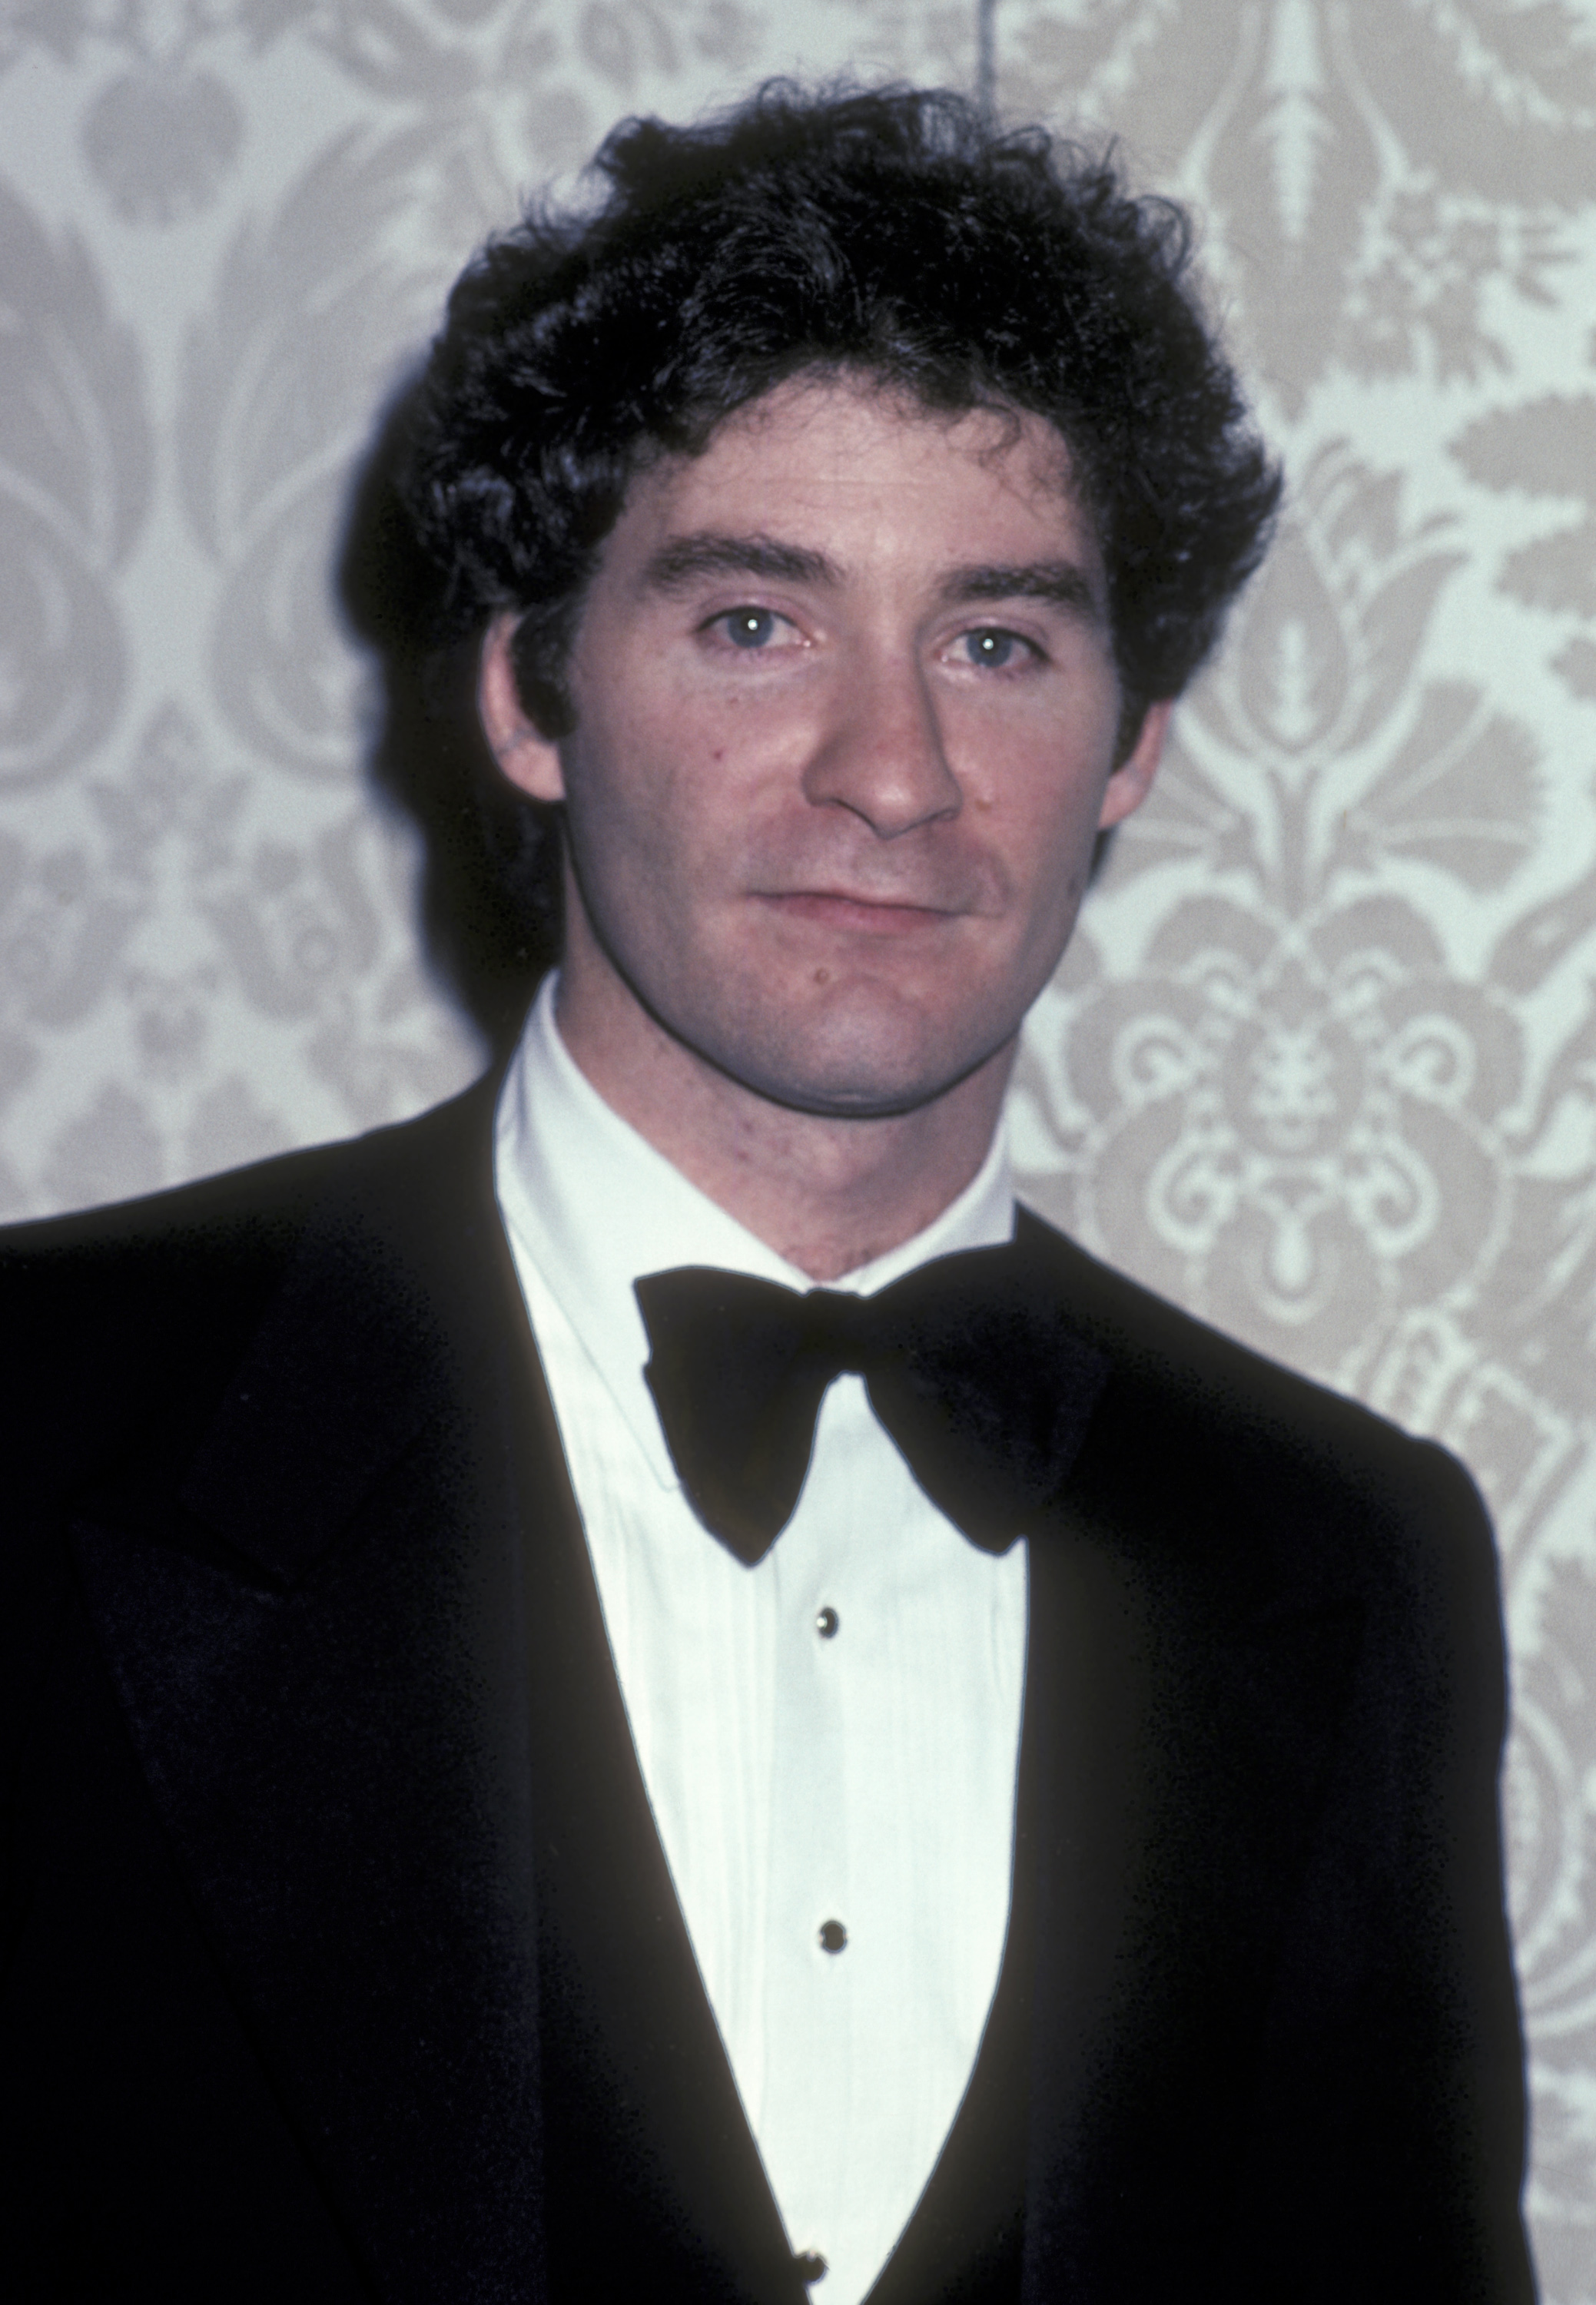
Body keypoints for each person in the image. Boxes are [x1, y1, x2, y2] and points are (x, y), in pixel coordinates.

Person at [0, 82, 1533, 2305]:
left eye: (997, 642)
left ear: (1131, 747)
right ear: (531, 690)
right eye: (755, 624)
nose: (894, 771)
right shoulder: (45, 1427)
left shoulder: (1343, 1558)